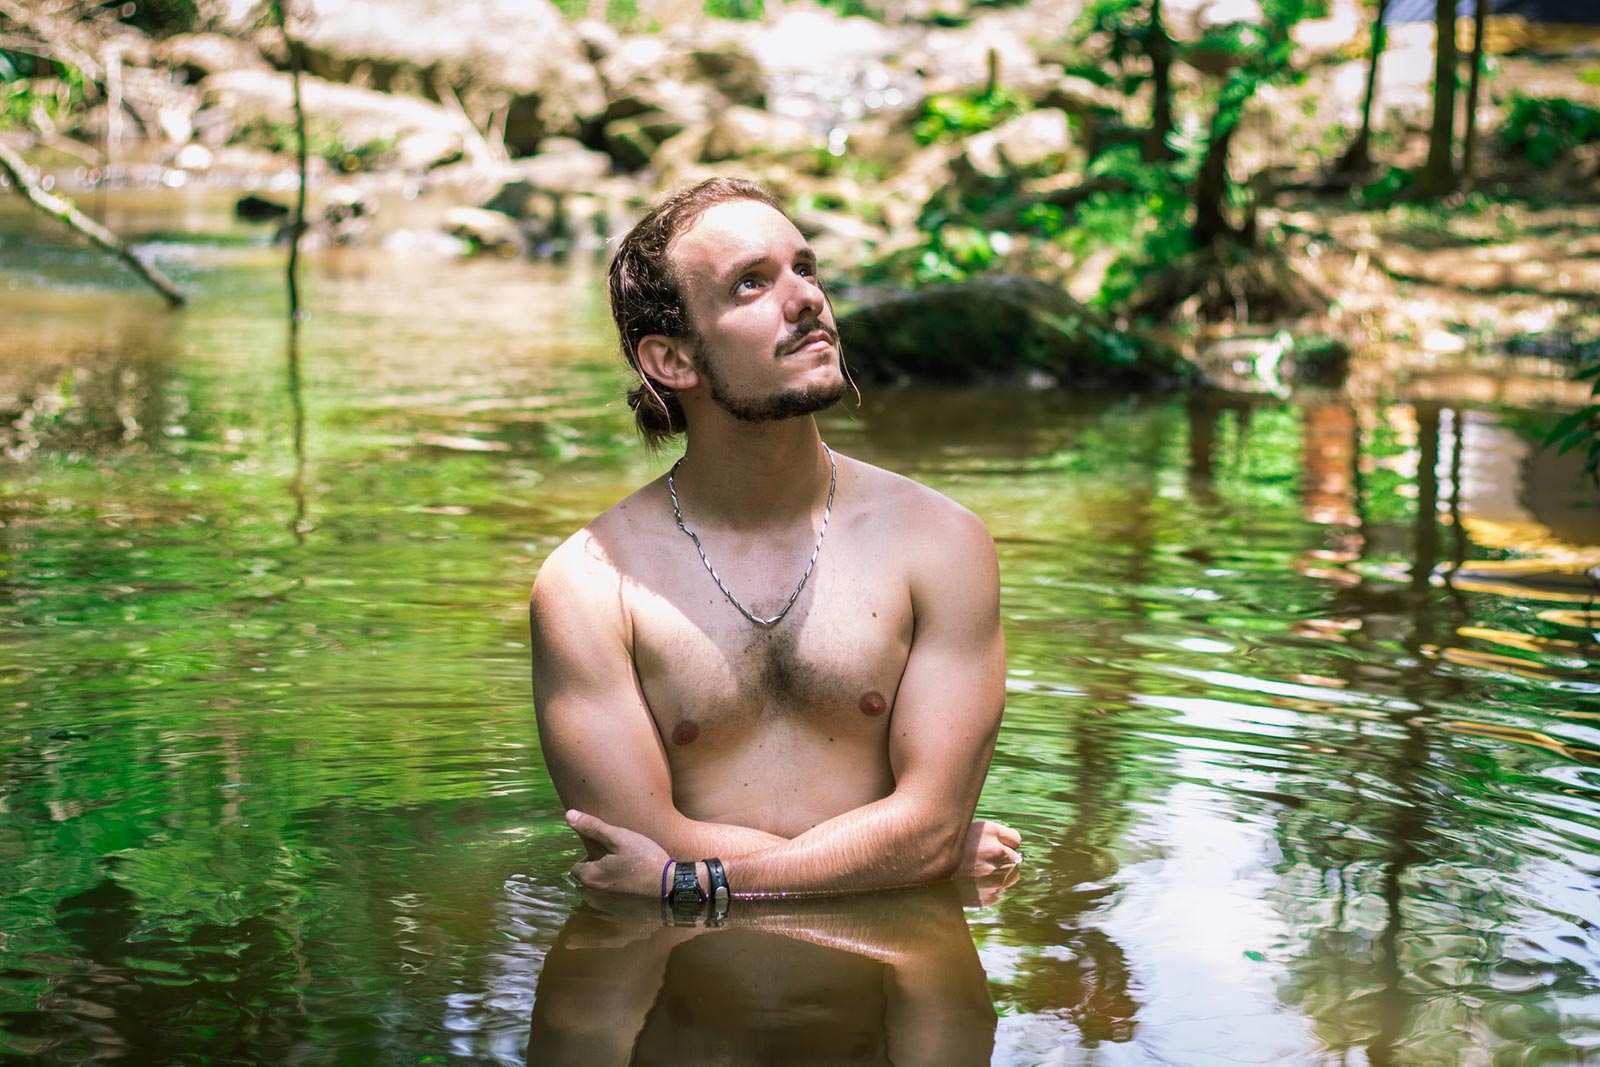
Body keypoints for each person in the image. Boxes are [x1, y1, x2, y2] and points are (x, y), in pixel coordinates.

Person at [529, 177, 1020, 910]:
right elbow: (633, 850)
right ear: (671, 360)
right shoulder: (592, 586)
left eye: (806, 267)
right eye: (751, 284)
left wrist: (695, 882)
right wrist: (908, 857)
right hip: (693, 1002)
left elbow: (928, 830)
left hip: (884, 1001)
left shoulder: (940, 543)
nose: (806, 299)